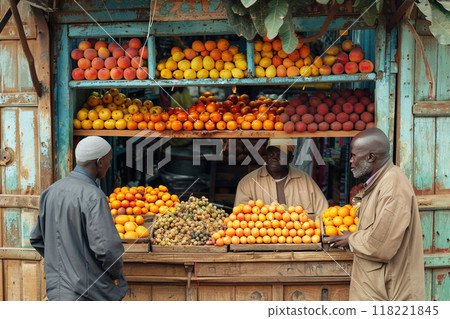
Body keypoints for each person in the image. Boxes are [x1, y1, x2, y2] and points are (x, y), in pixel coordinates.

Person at [324, 128, 425, 300]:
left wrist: (351, 239)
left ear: (371, 157)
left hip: (390, 294)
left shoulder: (393, 186)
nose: (351, 160)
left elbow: (381, 245)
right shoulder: (381, 182)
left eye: (355, 155)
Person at [30, 136, 128, 301]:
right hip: (88, 292)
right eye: (109, 161)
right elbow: (107, 249)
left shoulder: (51, 191)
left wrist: (61, 265)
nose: (109, 165)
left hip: (57, 291)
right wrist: (116, 273)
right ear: (99, 162)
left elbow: (36, 238)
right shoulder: (94, 197)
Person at [234, 138, 328, 215]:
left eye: (281, 154)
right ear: (265, 156)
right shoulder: (248, 183)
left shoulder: (305, 181)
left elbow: (324, 213)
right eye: (271, 154)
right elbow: (240, 217)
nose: (274, 157)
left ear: (290, 158)